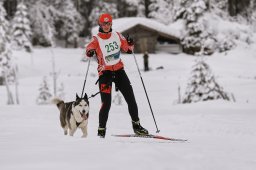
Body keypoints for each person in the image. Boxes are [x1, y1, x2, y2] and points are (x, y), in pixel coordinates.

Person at [85, 13, 148, 138]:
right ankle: (101, 131)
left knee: (131, 98)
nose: (106, 26)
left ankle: (137, 127)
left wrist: (130, 44)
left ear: (111, 24)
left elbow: (128, 49)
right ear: (100, 24)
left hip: (119, 71)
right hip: (105, 73)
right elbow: (89, 48)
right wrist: (90, 51)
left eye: (108, 23)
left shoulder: (117, 35)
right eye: (104, 24)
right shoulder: (96, 39)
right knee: (106, 103)